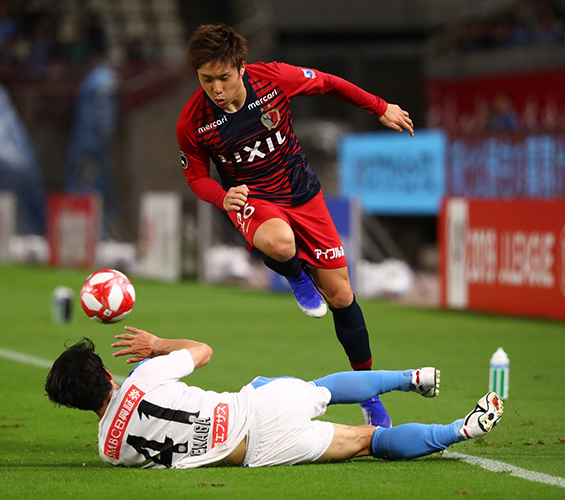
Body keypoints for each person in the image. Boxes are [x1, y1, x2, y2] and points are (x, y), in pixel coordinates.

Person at [176, 24, 415, 428]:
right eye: (206, 79)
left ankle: (369, 396)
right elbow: (196, 177)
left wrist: (379, 107)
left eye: (224, 77)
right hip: (253, 201)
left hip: (303, 194)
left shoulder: (272, 79)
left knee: (341, 296)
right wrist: (222, 197)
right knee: (282, 243)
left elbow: (328, 83)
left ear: (240, 67)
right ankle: (297, 278)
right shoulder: (192, 121)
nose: (215, 88)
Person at [45, 327, 504, 469]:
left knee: (366, 442)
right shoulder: (144, 375)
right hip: (255, 408)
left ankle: (459, 430)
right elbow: (203, 351)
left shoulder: (109, 452)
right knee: (318, 389)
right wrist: (159, 345)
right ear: (107, 371)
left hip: (258, 452)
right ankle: (409, 377)